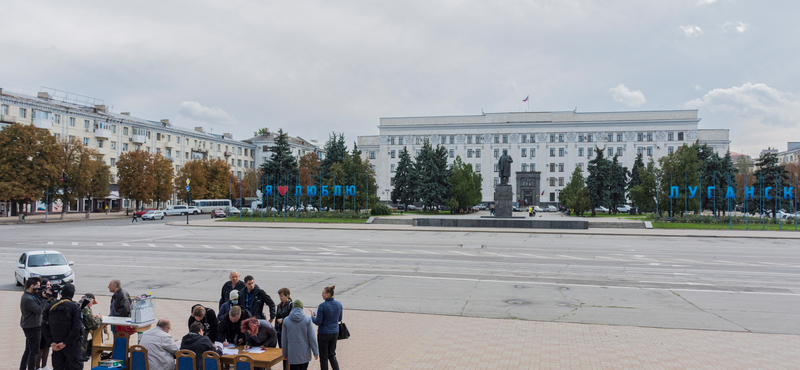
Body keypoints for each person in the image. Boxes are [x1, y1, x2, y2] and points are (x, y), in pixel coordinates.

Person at [42, 283, 83, 370]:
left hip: (56, 345)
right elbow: (76, 328)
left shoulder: (50, 306)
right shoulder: (74, 307)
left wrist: (51, 342)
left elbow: (44, 326)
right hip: (72, 345)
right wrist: (65, 343)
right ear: (72, 294)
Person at [310, 285, 343, 370]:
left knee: (324, 357)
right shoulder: (339, 304)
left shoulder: (322, 306)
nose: (322, 295)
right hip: (335, 332)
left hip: (324, 333)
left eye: (323, 293)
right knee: (332, 355)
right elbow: (339, 319)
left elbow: (318, 322)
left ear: (328, 294)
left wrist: (312, 317)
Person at [281, 299, 318, 370]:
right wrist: (315, 352)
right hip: (305, 353)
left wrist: (284, 353)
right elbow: (312, 337)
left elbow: (284, 339)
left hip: (292, 353)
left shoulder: (286, 320)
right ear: (302, 307)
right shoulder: (307, 319)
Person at [20, 277, 44, 370]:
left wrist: (41, 295)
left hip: (32, 325)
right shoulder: (27, 298)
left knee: (28, 350)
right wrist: (44, 299)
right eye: (38, 286)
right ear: (32, 286)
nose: (39, 288)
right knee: (34, 352)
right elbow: (39, 310)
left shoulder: (32, 295)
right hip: (32, 327)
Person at [37, 278, 58, 370]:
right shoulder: (40, 297)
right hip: (41, 326)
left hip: (49, 326)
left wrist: (53, 296)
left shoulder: (50, 299)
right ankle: (38, 367)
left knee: (47, 347)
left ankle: (44, 365)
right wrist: (45, 297)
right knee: (41, 348)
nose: (49, 287)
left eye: (50, 285)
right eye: (47, 285)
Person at [80, 294, 102, 361]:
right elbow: (93, 325)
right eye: (92, 303)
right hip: (80, 340)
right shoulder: (85, 308)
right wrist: (99, 319)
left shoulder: (76, 305)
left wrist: (92, 316)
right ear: (90, 300)